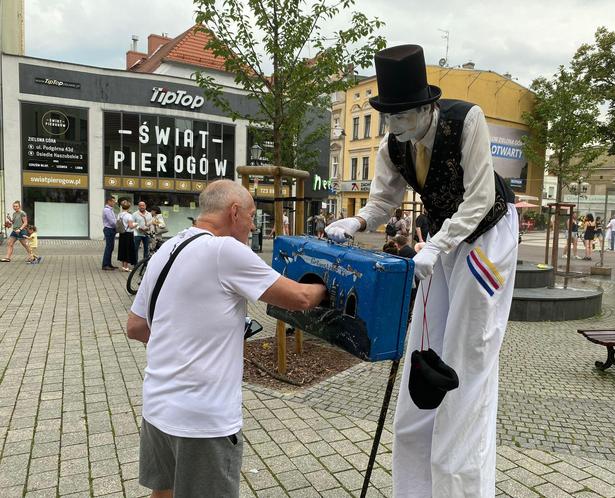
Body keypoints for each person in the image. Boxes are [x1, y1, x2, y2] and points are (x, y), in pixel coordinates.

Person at [325, 44, 518, 497]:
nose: (395, 125)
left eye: (403, 114)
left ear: (427, 106)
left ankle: (460, 484)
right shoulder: (393, 142)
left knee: (467, 355)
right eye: (388, 115)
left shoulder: (466, 120)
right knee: (424, 354)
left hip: (487, 234)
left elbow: (480, 198)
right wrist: (355, 222)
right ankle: (416, 485)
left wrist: (439, 244)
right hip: (441, 241)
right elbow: (382, 200)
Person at [126, 180, 326, 498]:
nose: (251, 227)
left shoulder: (168, 247)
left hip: (157, 406)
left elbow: (136, 327)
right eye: (251, 217)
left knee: (163, 493)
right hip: (202, 420)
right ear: (234, 212)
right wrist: (327, 286)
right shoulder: (225, 250)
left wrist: (183, 338)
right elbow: (300, 298)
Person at [117, 200, 137, 272]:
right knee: (127, 250)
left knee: (122, 249)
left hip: (122, 233)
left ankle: (123, 266)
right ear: (129, 207)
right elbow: (131, 226)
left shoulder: (120, 214)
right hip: (128, 234)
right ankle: (126, 267)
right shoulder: (129, 216)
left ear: (122, 207)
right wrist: (136, 224)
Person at [102, 196, 117, 270]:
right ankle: (105, 265)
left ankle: (109, 264)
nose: (114, 203)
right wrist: (118, 226)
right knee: (109, 247)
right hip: (109, 229)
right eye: (113, 201)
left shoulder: (110, 209)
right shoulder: (107, 210)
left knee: (111, 248)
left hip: (111, 230)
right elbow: (112, 222)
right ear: (109, 201)